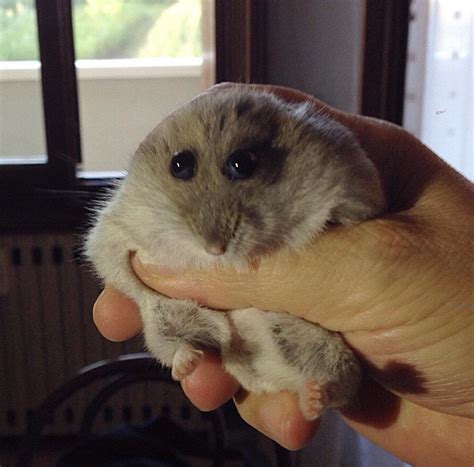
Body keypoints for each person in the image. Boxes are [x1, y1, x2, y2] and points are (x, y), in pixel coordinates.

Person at [92, 84, 474, 465]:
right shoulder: (144, 194)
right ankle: (182, 351)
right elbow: (106, 245)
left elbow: (361, 199)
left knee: (327, 364)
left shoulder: (318, 151)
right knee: (164, 323)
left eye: (241, 167)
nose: (213, 244)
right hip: (219, 336)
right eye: (182, 168)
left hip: (304, 330)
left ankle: (327, 383)